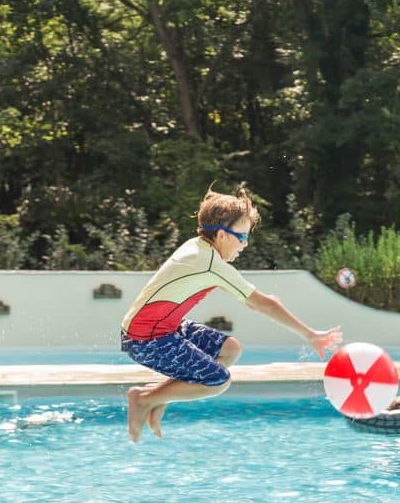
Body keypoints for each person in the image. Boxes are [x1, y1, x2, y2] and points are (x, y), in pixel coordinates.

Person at [122, 187, 344, 442]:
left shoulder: (199, 249)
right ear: (221, 234)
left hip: (159, 329)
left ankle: (159, 398)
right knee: (217, 380)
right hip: (146, 339)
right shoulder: (210, 263)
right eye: (241, 237)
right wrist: (311, 335)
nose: (245, 244)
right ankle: (144, 399)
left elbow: (255, 302)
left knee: (229, 349)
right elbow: (262, 304)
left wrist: (262, 302)